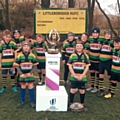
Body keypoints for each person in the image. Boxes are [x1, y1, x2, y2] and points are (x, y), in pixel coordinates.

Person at [13, 41, 38, 108]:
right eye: (24, 46)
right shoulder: (19, 55)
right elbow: (17, 65)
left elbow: (35, 65)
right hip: (22, 75)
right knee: (23, 86)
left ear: (30, 48)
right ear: (22, 47)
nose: (26, 48)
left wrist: (31, 73)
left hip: (30, 75)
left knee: (31, 86)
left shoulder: (32, 56)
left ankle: (32, 101)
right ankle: (21, 100)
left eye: (27, 46)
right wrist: (20, 73)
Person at [67, 40, 90, 108]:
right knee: (73, 90)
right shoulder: (72, 55)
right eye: (77, 46)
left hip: (82, 77)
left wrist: (82, 76)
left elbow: (87, 67)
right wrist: (74, 75)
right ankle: (70, 103)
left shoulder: (85, 56)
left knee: (82, 90)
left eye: (80, 46)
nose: (79, 47)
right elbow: (70, 66)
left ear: (83, 47)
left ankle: (82, 104)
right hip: (74, 76)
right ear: (75, 47)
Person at [86, 27, 104, 93]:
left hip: (98, 60)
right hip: (91, 60)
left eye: (96, 33)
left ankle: (97, 87)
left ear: (98, 34)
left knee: (97, 73)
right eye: (94, 33)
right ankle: (92, 86)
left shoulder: (102, 39)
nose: (95, 34)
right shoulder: (90, 39)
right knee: (92, 73)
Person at [0, 29, 18, 94]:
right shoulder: (1, 44)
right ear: (3, 37)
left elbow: (16, 52)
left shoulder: (13, 43)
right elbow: (0, 54)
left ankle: (13, 86)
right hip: (4, 62)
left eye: (9, 37)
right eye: (6, 37)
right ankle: (3, 87)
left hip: (11, 63)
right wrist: (0, 63)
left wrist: (15, 61)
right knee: (4, 75)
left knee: (12, 74)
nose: (8, 38)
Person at [97, 30, 113, 97]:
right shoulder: (102, 41)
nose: (107, 35)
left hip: (108, 61)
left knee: (110, 75)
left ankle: (110, 89)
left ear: (111, 35)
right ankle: (101, 90)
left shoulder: (112, 42)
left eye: (108, 34)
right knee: (101, 75)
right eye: (106, 34)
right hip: (101, 60)